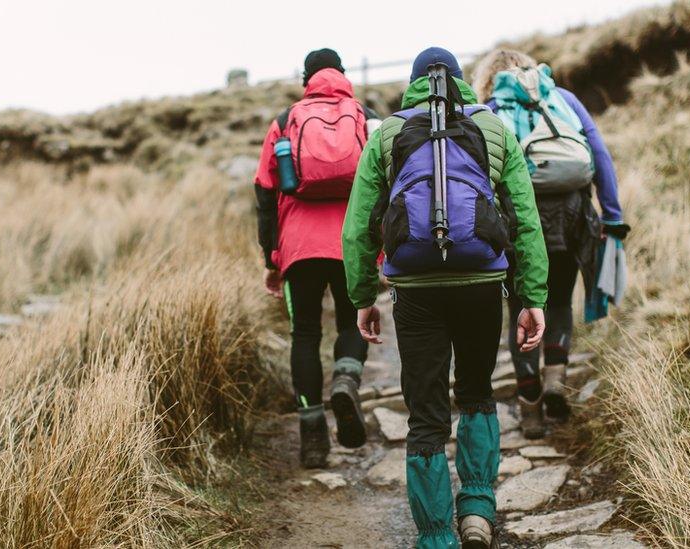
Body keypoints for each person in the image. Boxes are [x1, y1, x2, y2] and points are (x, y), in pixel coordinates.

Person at [343, 47, 548, 548]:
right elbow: (524, 218)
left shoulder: (387, 133)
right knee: (477, 391)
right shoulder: (494, 128)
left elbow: (358, 227)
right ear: (459, 81)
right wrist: (531, 296)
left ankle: (437, 537)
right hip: (481, 282)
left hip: (414, 292)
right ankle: (477, 509)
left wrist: (363, 295)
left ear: (412, 84)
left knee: (425, 413)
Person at [471, 49, 628, 439]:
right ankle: (556, 378)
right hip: (573, 217)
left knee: (521, 307)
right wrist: (611, 214)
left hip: (518, 224)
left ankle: (530, 408)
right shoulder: (562, 100)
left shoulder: (488, 111)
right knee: (557, 301)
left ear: (489, 78)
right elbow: (600, 155)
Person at [254, 48, 381, 469]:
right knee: (352, 322)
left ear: (305, 79)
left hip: (300, 248)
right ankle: (345, 380)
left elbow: (265, 190)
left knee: (305, 335)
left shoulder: (284, 121)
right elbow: (384, 184)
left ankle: (312, 438)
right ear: (343, 75)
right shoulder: (363, 115)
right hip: (351, 244)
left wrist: (273, 258)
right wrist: (378, 250)